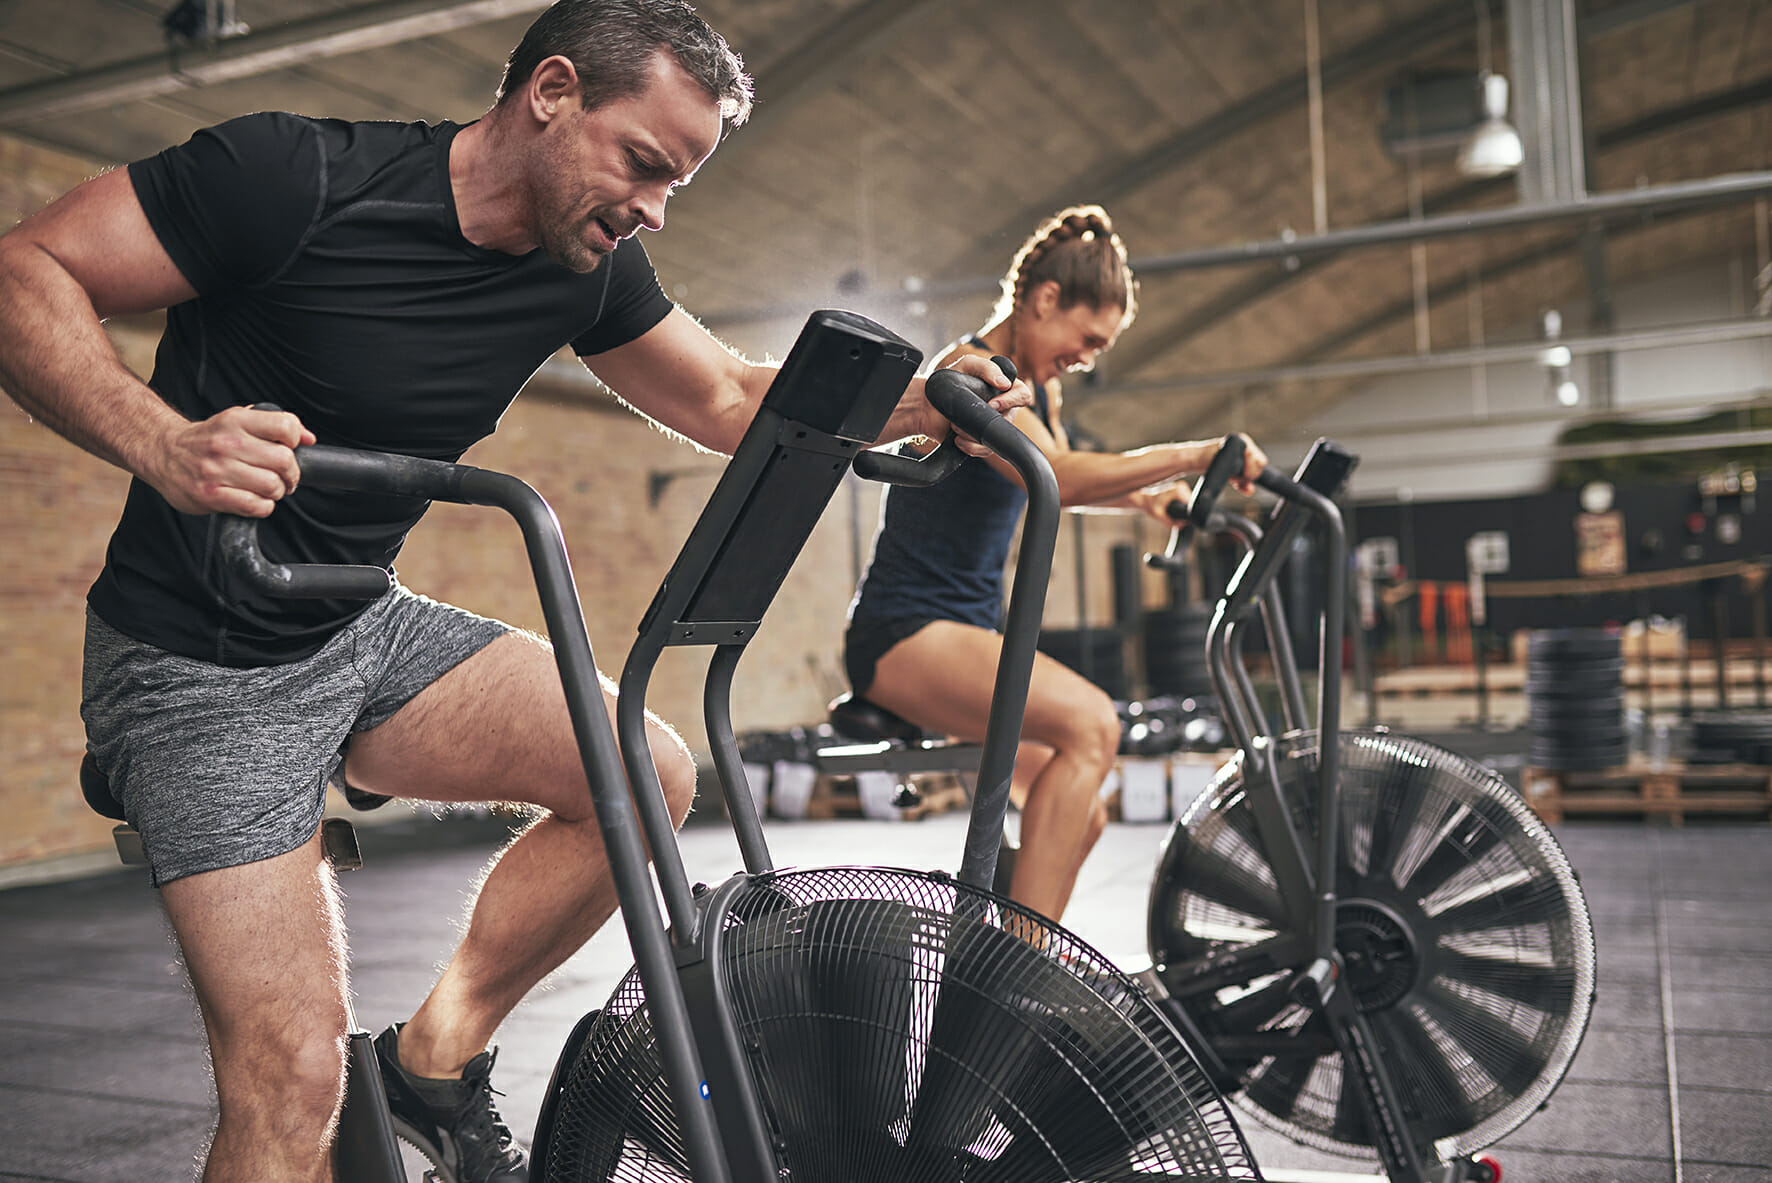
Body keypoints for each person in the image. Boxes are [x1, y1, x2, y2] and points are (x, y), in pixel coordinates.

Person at [0, 2, 1030, 1180]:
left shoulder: (582, 264)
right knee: (289, 1086)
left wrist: (921, 392)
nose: (651, 208)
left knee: (646, 775)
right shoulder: (290, 176)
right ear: (549, 93)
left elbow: (731, 401)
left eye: (677, 185)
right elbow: (25, 266)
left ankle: (432, 1062)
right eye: (643, 163)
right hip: (196, 667)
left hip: (355, 623)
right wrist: (163, 440)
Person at [843, 205, 1266, 924]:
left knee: (1083, 813)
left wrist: (1144, 501)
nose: (1088, 355)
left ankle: (1007, 950)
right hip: (907, 631)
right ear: (1044, 300)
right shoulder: (969, 373)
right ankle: (1015, 976)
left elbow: (1045, 482)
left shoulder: (1036, 391)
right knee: (1093, 726)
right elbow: (1059, 476)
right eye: (1087, 337)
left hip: (959, 632)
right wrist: (1197, 453)